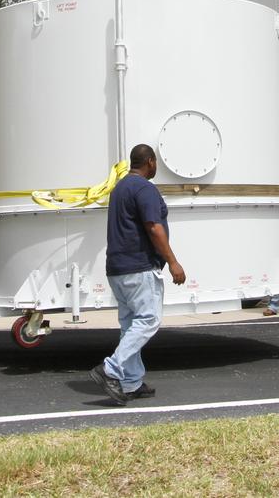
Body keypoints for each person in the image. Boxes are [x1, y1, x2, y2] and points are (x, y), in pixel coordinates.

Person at [89, 143, 186, 405]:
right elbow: (154, 227)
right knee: (149, 320)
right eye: (155, 164)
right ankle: (110, 369)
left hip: (117, 269)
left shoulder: (119, 188)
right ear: (151, 162)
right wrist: (173, 262)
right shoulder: (145, 189)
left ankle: (131, 383)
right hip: (139, 267)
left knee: (131, 325)